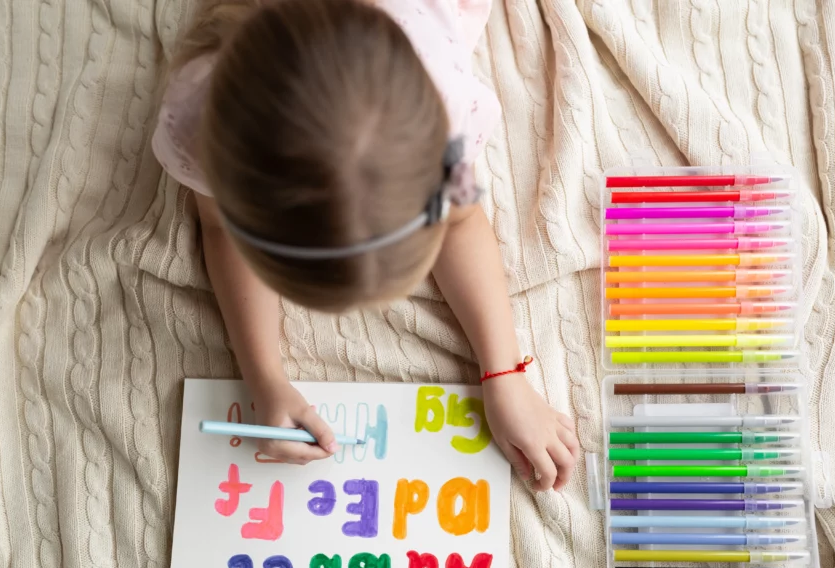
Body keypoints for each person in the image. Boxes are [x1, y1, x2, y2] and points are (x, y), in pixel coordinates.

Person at [152, 0, 579, 491]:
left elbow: (461, 223)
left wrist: (505, 373)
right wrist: (263, 375)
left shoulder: (442, 103)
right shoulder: (203, 116)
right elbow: (221, 227)